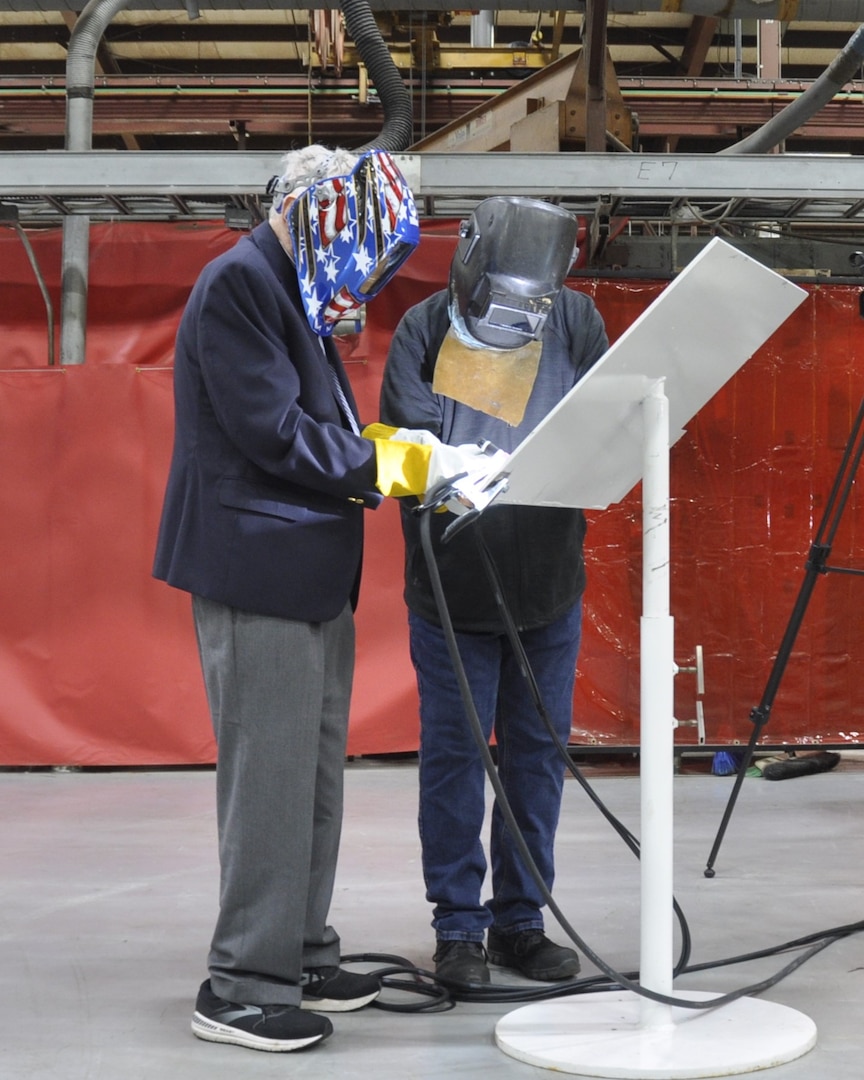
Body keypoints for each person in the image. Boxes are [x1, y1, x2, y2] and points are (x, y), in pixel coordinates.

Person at [152, 144, 424, 1053]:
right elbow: (272, 431)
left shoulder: (294, 291)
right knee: (267, 785)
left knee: (309, 780)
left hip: (307, 573)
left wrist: (397, 447)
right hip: (258, 570)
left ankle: (299, 950)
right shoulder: (238, 284)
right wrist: (398, 463)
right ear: (318, 214)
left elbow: (324, 423)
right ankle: (239, 983)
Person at [377, 197, 610, 986]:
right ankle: (459, 930)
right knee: (455, 757)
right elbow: (408, 458)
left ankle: (520, 921)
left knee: (537, 758)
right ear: (470, 272)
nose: (516, 315)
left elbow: (602, 425)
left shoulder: (575, 321)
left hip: (548, 583)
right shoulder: (422, 329)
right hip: (452, 591)